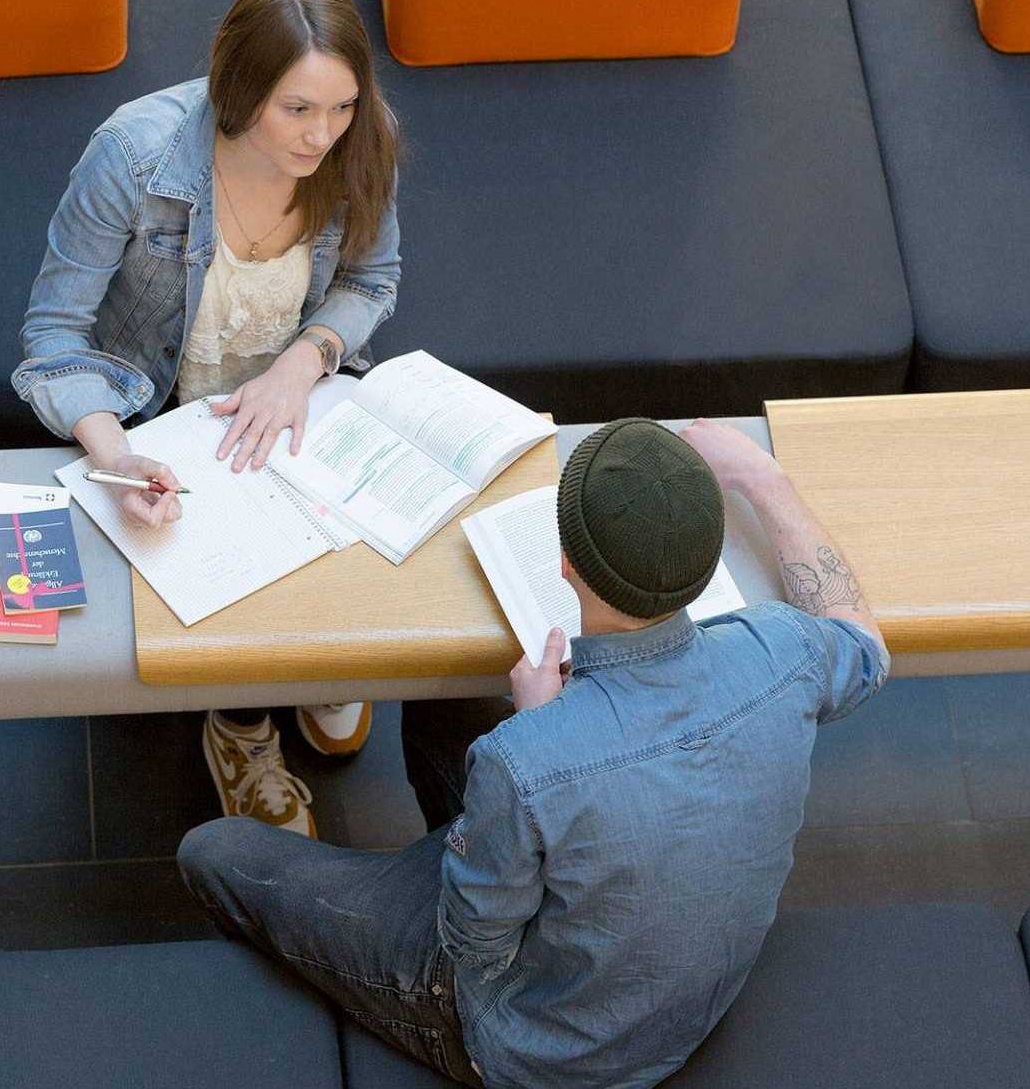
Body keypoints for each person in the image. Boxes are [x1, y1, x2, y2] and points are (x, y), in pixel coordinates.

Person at [178, 417, 890, 1089]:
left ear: (565, 564)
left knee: (213, 851)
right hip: (684, 1001)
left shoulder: (528, 760)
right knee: (445, 714)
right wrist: (765, 479)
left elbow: (475, 948)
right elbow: (864, 644)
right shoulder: (785, 650)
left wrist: (538, 737)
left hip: (534, 1047)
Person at [13, 0, 403, 839]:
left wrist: (303, 362)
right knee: (223, 577)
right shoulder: (134, 154)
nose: (322, 137)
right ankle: (241, 726)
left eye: (340, 108)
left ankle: (312, 669)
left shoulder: (359, 138)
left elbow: (373, 278)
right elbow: (52, 336)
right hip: (160, 412)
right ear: (238, 89)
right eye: (296, 110)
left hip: (296, 397)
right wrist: (115, 457)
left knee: (346, 554)